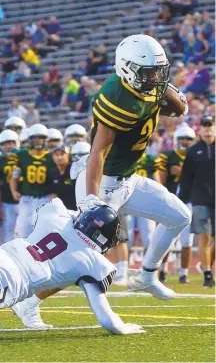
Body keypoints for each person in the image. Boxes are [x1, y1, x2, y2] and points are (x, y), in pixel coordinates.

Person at [73, 34, 191, 300]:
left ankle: (146, 276)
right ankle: (31, 300)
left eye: (159, 72)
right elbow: (98, 152)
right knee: (78, 252)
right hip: (103, 182)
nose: (157, 79)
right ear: (128, 69)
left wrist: (174, 98)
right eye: (150, 73)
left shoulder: (149, 86)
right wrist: (92, 200)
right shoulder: (117, 97)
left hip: (128, 179)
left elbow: (178, 107)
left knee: (180, 216)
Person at [0, 198, 144, 335]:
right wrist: (123, 328)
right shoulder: (94, 263)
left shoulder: (56, 215)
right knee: (67, 273)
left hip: (4, 255)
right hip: (12, 281)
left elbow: (46, 212)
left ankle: (28, 306)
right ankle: (28, 306)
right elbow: (108, 321)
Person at [178, 115, 215, 287]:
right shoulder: (193, 152)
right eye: (204, 126)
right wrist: (183, 199)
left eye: (210, 125)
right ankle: (207, 274)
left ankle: (207, 265)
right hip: (200, 199)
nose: (208, 129)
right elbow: (186, 177)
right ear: (199, 129)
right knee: (204, 237)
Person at [159, 125, 196, 283]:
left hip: (189, 199)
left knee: (187, 240)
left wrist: (184, 172)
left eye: (188, 139)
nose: (185, 141)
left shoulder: (196, 156)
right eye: (182, 138)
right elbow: (160, 178)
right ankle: (162, 270)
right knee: (169, 237)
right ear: (176, 140)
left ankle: (184, 273)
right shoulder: (167, 156)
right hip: (172, 200)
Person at [10, 124, 55, 238]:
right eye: (35, 138)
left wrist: (54, 194)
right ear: (30, 139)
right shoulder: (22, 155)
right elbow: (14, 176)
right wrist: (14, 190)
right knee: (23, 232)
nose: (38, 140)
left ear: (46, 139)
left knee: (44, 231)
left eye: (40, 137)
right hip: (27, 198)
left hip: (45, 197)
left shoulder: (52, 156)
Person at [0, 130, 19, 243]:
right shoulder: (1, 160)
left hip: (24, 199)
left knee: (23, 230)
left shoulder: (23, 156)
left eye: (10, 143)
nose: (8, 146)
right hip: (7, 200)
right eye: (5, 144)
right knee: (8, 230)